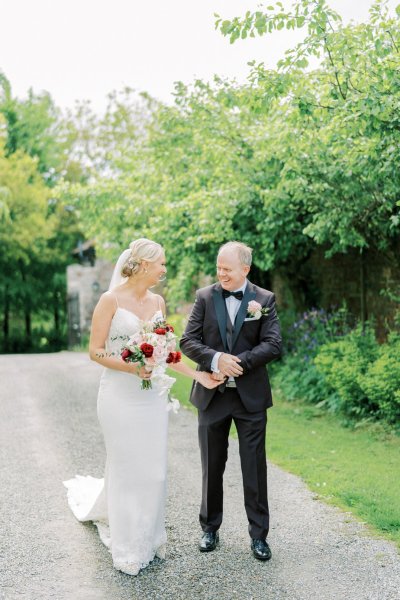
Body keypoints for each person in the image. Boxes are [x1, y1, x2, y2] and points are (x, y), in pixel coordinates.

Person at [64, 238, 219, 576]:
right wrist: (132, 366)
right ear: (144, 265)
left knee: (155, 470)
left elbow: (168, 351)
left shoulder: (158, 301)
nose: (165, 269)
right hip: (119, 396)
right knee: (126, 468)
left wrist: (199, 375)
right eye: (161, 263)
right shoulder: (110, 300)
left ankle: (150, 537)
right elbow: (96, 351)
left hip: (151, 398)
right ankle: (128, 547)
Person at [180, 241, 282, 561]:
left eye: (228, 268)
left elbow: (273, 344)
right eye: (218, 268)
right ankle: (209, 529)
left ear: (245, 270)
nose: (221, 273)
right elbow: (188, 341)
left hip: (251, 398)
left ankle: (259, 537)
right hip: (213, 395)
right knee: (212, 466)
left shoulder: (264, 300)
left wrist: (240, 362)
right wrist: (216, 359)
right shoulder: (204, 297)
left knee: (254, 468)